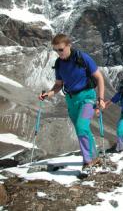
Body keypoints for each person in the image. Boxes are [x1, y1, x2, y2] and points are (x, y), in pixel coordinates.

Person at [39, 33, 105, 170]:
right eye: (56, 50)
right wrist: (48, 94)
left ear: (69, 45)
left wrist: (101, 98)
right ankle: (94, 157)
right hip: (71, 101)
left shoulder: (82, 58)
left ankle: (88, 161)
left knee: (81, 127)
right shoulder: (58, 64)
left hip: (87, 97)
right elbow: (58, 85)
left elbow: (99, 77)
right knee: (83, 129)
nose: (58, 53)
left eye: (61, 49)